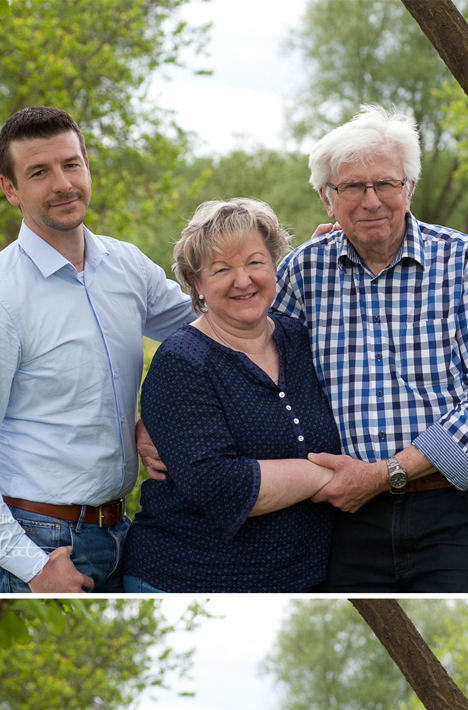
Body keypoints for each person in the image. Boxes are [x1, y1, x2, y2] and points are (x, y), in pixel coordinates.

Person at [141, 106, 468, 592]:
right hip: (343, 519)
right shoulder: (302, 273)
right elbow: (239, 351)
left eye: (385, 183)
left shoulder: (466, 261)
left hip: (452, 511)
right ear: (327, 199)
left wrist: (388, 473)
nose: (371, 201)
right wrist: (159, 423)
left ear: (409, 187)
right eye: (351, 187)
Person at [0, 106, 195, 594]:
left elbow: (208, 327)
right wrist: (32, 567)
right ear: (11, 189)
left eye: (71, 164)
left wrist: (304, 265)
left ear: (87, 166)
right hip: (39, 542)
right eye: (39, 172)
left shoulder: (126, 267)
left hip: (122, 528)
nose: (63, 184)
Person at [121, 199, 340, 592]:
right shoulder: (182, 362)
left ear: (275, 267)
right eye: (222, 269)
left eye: (255, 262)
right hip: (187, 582)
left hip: (301, 580)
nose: (243, 280)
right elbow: (221, 486)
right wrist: (330, 474)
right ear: (197, 283)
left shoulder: (300, 339)